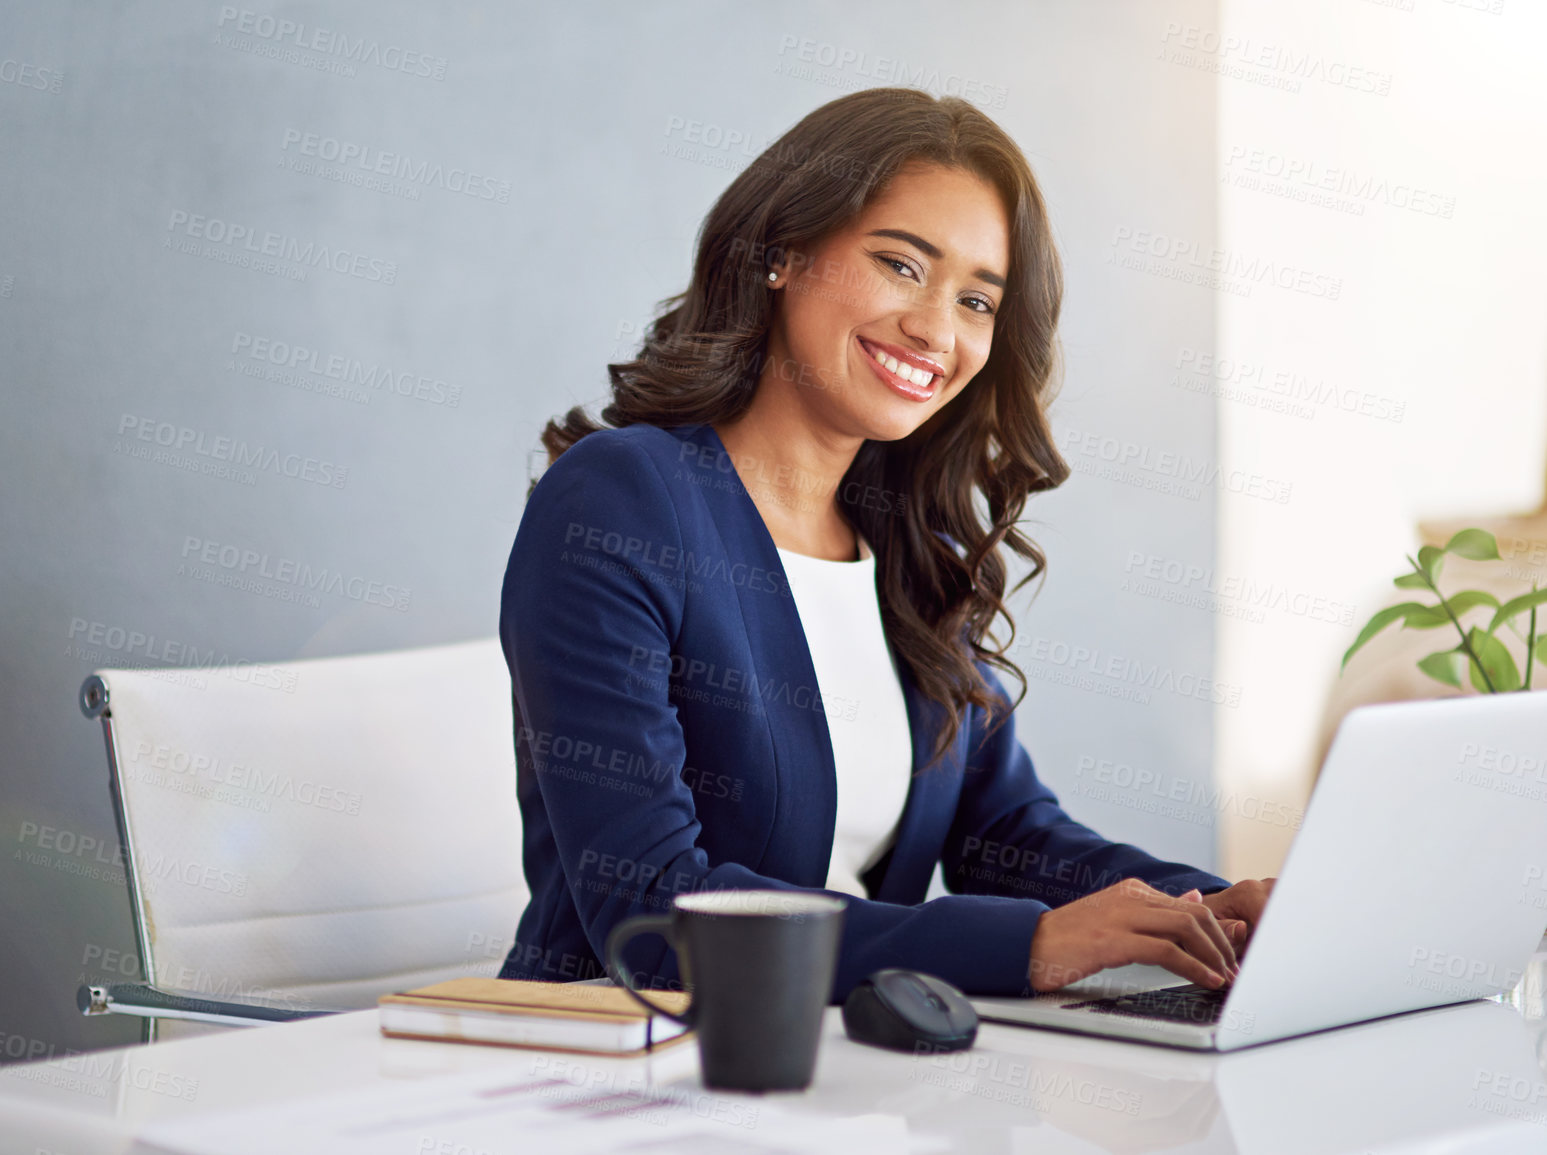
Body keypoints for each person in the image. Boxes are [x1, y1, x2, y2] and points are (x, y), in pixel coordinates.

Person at [496, 87, 1274, 1003]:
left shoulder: (910, 544)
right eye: (902, 266)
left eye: (978, 299)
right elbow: (652, 911)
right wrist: (1025, 947)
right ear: (782, 251)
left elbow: (1004, 832)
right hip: (618, 1074)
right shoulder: (625, 497)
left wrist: (1217, 906)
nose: (936, 329)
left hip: (855, 1077)